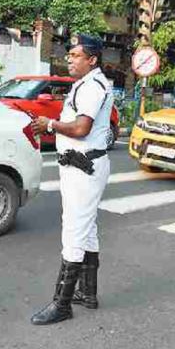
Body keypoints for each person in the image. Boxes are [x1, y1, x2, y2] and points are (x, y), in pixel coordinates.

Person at [29, 33, 114, 325]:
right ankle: (87, 293)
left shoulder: (92, 86)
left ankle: (61, 304)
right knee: (87, 230)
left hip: (83, 168)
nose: (70, 59)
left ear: (92, 59)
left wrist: (50, 124)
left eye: (76, 55)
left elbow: (81, 129)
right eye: (69, 55)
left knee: (74, 234)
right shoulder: (87, 83)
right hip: (81, 166)